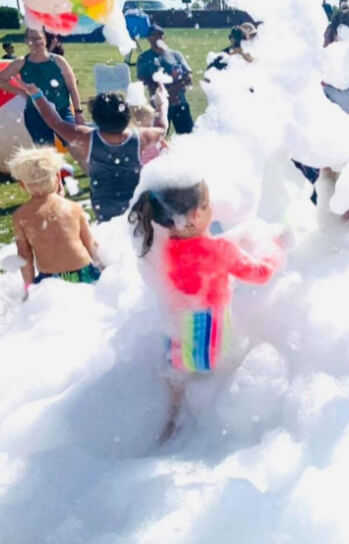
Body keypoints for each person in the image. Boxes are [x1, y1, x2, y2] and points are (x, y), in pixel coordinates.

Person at [128, 180, 281, 442]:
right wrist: (273, 251)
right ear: (196, 215)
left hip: (177, 329)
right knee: (212, 380)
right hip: (211, 336)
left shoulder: (165, 248)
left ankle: (172, 418)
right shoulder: (219, 251)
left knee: (179, 375)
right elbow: (259, 274)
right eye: (208, 204)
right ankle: (203, 429)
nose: (211, 208)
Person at [21, 82, 168, 222]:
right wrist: (161, 104)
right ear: (127, 114)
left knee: (110, 241)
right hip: (136, 202)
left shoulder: (87, 137)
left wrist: (37, 95)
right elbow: (162, 128)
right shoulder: (140, 137)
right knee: (139, 237)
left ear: (96, 118)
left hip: (103, 205)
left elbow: (54, 121)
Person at [10, 147, 101, 295]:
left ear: (22, 185)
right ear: (58, 177)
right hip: (84, 272)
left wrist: (28, 288)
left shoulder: (21, 217)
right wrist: (103, 268)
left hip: (50, 280)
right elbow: (90, 244)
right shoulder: (73, 207)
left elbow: (24, 255)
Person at [0, 28, 84, 146]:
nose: (35, 42)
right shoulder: (21, 62)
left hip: (62, 111)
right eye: (31, 39)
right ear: (26, 41)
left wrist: (78, 112)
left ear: (45, 40)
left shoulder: (59, 61)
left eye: (38, 38)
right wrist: (20, 92)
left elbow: (72, 87)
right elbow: (1, 80)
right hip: (35, 114)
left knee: (76, 146)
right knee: (45, 152)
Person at [137, 25, 194, 135]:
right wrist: (164, 94)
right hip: (159, 106)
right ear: (149, 38)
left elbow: (188, 75)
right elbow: (143, 79)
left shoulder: (175, 55)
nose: (159, 37)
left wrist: (172, 90)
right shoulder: (144, 58)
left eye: (161, 34)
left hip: (179, 103)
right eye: (155, 34)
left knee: (187, 137)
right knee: (158, 139)